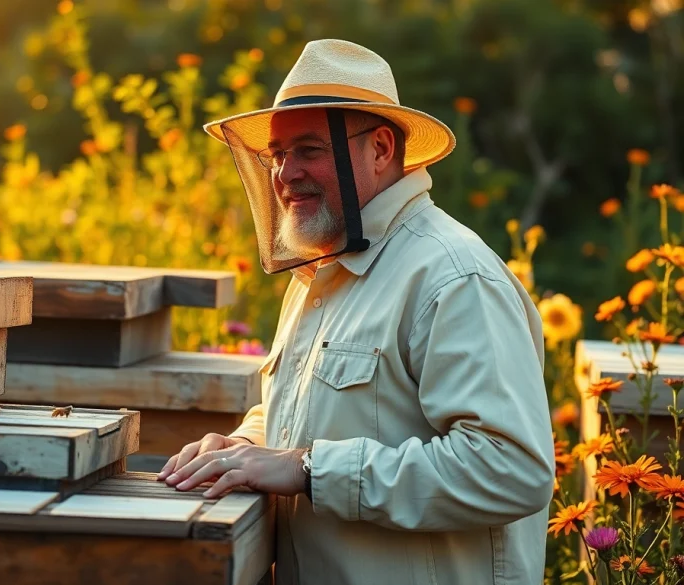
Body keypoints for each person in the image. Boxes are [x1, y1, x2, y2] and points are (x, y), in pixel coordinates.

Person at [157, 39, 556, 585]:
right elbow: (313, 412)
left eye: (308, 149)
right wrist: (245, 445)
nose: (284, 174)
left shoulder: (452, 276)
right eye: (277, 155)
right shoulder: (325, 269)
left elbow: (510, 469)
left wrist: (308, 469)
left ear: (382, 149)